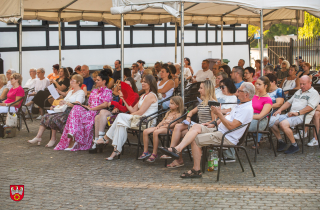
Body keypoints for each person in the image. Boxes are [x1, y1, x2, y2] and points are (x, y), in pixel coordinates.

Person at [160, 82, 254, 178]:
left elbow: (231, 126)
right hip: (219, 131)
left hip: (226, 137)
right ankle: (178, 149)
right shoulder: (241, 105)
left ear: (246, 94)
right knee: (195, 126)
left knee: (195, 138)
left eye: (239, 90)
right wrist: (212, 123)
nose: (237, 92)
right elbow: (227, 117)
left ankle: (196, 170)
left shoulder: (246, 109)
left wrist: (219, 113)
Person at [102, 75, 159, 160]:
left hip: (147, 121)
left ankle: (106, 138)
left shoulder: (151, 95)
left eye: (145, 82)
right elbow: (133, 110)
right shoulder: (143, 95)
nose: (142, 83)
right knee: (120, 123)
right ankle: (116, 150)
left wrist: (126, 116)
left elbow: (140, 112)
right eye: (142, 81)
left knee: (120, 117)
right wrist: (123, 99)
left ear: (150, 83)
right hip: (139, 119)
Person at [54, 70, 113, 151]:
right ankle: (73, 134)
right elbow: (89, 104)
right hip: (90, 109)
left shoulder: (108, 91)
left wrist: (91, 108)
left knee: (77, 111)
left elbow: (105, 105)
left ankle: (74, 136)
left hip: (98, 111)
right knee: (76, 107)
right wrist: (86, 107)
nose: (95, 81)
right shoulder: (94, 91)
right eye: (96, 79)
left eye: (98, 80)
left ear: (104, 81)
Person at [164, 80, 217, 168]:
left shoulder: (213, 103)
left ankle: (174, 154)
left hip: (206, 128)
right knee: (178, 128)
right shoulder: (203, 102)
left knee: (178, 128)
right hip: (198, 127)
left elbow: (214, 121)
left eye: (201, 88)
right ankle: (174, 153)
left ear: (207, 89)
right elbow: (190, 112)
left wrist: (203, 124)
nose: (199, 90)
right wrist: (188, 118)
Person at [27, 74, 86, 147]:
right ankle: (38, 137)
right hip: (63, 109)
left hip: (71, 112)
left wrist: (66, 103)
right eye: (70, 81)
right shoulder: (70, 92)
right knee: (46, 116)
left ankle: (53, 139)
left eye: (73, 81)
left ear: (78, 82)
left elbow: (78, 104)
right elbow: (64, 101)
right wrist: (59, 103)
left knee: (54, 118)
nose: (71, 82)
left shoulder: (81, 92)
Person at [270, 75, 319, 154]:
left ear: (310, 83)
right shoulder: (299, 91)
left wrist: (297, 113)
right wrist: (279, 110)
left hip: (301, 116)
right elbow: (288, 102)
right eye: (301, 84)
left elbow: (310, 107)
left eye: (304, 84)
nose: (302, 86)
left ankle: (294, 145)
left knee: (283, 124)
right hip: (291, 114)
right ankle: (281, 141)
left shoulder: (314, 93)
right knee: (271, 121)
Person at [92, 78, 140, 149]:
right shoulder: (123, 94)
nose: (126, 87)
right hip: (118, 115)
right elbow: (120, 105)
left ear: (132, 85)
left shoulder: (135, 95)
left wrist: (113, 102)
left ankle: (101, 139)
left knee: (101, 113)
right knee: (98, 116)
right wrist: (115, 108)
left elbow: (125, 109)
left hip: (125, 117)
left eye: (128, 85)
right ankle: (98, 139)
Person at [139, 96, 184, 162]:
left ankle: (154, 153)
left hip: (170, 129)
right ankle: (146, 151)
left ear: (177, 105)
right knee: (145, 131)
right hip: (162, 127)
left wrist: (162, 127)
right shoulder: (168, 112)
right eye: (170, 103)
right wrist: (158, 125)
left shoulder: (178, 115)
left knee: (156, 132)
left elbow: (172, 125)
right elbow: (163, 121)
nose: (169, 105)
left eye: (172, 103)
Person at [249, 76, 273, 148]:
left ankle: (234, 144)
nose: (256, 86)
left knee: (240, 126)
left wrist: (247, 116)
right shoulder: (254, 95)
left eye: (259, 84)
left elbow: (260, 116)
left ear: (265, 86)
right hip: (251, 117)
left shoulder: (268, 100)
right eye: (256, 84)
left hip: (261, 121)